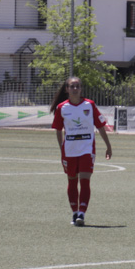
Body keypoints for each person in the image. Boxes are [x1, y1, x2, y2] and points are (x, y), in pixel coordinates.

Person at [50, 77, 112, 226]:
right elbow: (58, 130)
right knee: (72, 181)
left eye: (78, 86)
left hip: (87, 148)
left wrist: (108, 146)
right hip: (69, 150)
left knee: (85, 179)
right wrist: (61, 149)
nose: (75, 89)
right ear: (67, 89)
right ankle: (74, 212)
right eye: (72, 86)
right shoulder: (62, 108)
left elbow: (100, 126)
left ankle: (82, 214)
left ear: (81, 89)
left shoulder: (89, 105)